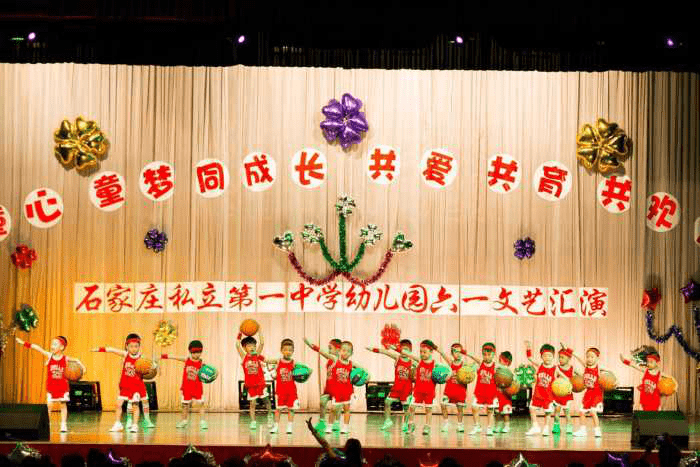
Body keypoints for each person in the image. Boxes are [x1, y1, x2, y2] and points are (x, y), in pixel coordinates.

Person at [15, 336, 86, 433]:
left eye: (55, 344)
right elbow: (37, 348)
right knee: (49, 406)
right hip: (51, 386)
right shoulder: (49, 356)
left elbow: (77, 360)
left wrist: (82, 369)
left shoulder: (65, 358)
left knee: (63, 405)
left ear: (61, 347)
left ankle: (63, 424)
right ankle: (47, 424)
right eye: (52, 344)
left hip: (62, 386)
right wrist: (23, 343)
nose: (52, 346)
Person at [92, 333, 155, 432]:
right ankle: (118, 424)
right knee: (118, 405)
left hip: (136, 386)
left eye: (136, 346)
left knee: (135, 406)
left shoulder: (142, 358)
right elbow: (112, 350)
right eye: (131, 346)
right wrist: (99, 349)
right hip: (125, 385)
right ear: (127, 346)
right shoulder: (126, 355)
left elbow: (152, 365)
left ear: (139, 347)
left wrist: (153, 367)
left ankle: (135, 425)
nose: (134, 349)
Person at [366, 339, 414, 431]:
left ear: (410, 351)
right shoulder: (397, 358)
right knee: (387, 402)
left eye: (406, 350)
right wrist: (373, 349)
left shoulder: (412, 361)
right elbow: (385, 352)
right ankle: (387, 421)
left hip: (407, 388)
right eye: (402, 349)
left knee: (406, 408)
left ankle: (406, 423)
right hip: (397, 386)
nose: (404, 352)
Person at [159, 339, 208, 430]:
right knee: (185, 406)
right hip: (187, 388)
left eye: (199, 352)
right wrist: (165, 356)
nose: (197, 354)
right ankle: (184, 421)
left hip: (197, 387)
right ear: (190, 352)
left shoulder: (202, 363)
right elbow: (175, 357)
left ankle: (202, 421)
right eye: (195, 352)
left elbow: (207, 376)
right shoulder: (187, 359)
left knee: (201, 404)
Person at [236, 328, 271, 430]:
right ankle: (253, 421)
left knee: (267, 401)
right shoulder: (244, 357)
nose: (253, 347)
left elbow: (262, 343)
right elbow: (237, 345)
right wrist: (240, 333)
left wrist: (259, 331)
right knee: (252, 403)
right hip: (251, 385)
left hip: (260, 383)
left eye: (254, 346)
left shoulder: (257, 355)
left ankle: (270, 415)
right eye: (250, 346)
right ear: (244, 347)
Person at [401, 339, 438, 435]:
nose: (422, 354)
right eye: (421, 352)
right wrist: (395, 348)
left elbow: (445, 371)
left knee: (428, 409)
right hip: (418, 390)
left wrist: (447, 376)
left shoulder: (435, 364)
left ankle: (427, 426)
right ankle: (411, 425)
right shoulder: (419, 361)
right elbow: (407, 353)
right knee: (411, 407)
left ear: (431, 352)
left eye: (424, 352)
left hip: (429, 391)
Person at [305, 338, 342, 431]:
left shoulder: (338, 359)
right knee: (322, 402)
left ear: (338, 349)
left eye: (330, 348)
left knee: (337, 406)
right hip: (329, 387)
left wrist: (311, 345)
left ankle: (337, 423)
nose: (328, 350)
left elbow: (321, 351)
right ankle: (322, 422)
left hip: (338, 388)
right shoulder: (330, 359)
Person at [266, 338, 301, 434]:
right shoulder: (278, 361)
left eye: (290, 350)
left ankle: (289, 427)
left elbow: (304, 372)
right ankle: (276, 427)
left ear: (293, 351)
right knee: (278, 410)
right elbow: (266, 360)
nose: (288, 352)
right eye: (285, 350)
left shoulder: (295, 363)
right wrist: (258, 356)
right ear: (281, 350)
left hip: (291, 390)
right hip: (280, 390)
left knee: (291, 410)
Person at [572, 347, 606, 437]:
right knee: (581, 412)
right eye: (587, 357)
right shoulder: (586, 367)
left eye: (592, 357)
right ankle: (582, 431)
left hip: (597, 393)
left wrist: (615, 381)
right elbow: (578, 358)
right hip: (588, 393)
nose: (589, 359)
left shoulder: (599, 368)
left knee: (593, 412)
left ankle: (597, 430)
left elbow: (610, 375)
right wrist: (568, 350)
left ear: (597, 358)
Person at [525, 342, 557, 436]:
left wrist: (568, 383)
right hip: (538, 393)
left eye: (549, 356)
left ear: (553, 356)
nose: (547, 358)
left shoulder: (555, 368)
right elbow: (530, 358)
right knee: (531, 408)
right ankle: (535, 426)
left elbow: (564, 377)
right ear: (541, 357)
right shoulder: (540, 365)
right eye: (545, 355)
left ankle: (546, 428)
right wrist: (528, 348)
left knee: (548, 412)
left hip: (549, 395)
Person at [466, 342, 498, 436]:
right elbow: (473, 357)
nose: (486, 356)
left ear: (493, 354)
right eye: (484, 354)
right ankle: (477, 426)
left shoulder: (496, 366)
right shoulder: (480, 363)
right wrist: (465, 352)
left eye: (489, 354)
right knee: (474, 408)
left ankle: (489, 428)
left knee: (490, 411)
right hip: (479, 392)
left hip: (491, 393)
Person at [437, 343, 468, 433]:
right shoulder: (451, 363)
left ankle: (460, 425)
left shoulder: (464, 364)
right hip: (449, 390)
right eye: (455, 352)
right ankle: (446, 423)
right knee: (443, 404)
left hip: (460, 391)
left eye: (460, 352)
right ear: (452, 353)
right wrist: (436, 348)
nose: (458, 354)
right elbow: (443, 354)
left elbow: (469, 374)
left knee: (460, 409)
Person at [553, 345, 575, 434]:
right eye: (559, 357)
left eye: (562, 357)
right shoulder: (557, 368)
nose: (560, 359)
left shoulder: (572, 368)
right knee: (557, 411)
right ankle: (556, 426)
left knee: (567, 412)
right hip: (557, 393)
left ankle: (569, 427)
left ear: (568, 359)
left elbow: (580, 377)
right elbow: (554, 378)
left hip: (567, 394)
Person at [494, 351, 513, 433]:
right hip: (497, 394)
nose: (502, 361)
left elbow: (513, 383)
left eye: (504, 360)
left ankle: (507, 426)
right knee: (497, 412)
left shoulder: (509, 371)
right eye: (501, 359)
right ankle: (498, 426)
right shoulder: (497, 369)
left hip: (506, 395)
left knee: (506, 412)